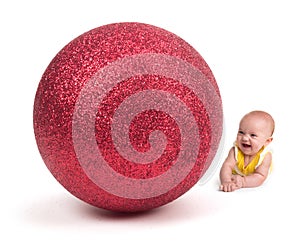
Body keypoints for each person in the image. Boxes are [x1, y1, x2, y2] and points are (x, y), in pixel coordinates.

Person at [219, 110, 275, 192]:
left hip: (253, 176)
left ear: (267, 141)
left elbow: (260, 176)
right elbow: (227, 166)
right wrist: (226, 181)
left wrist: (243, 181)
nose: (244, 138)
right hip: (237, 175)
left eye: (253, 135)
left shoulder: (265, 156)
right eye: (241, 132)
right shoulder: (235, 151)